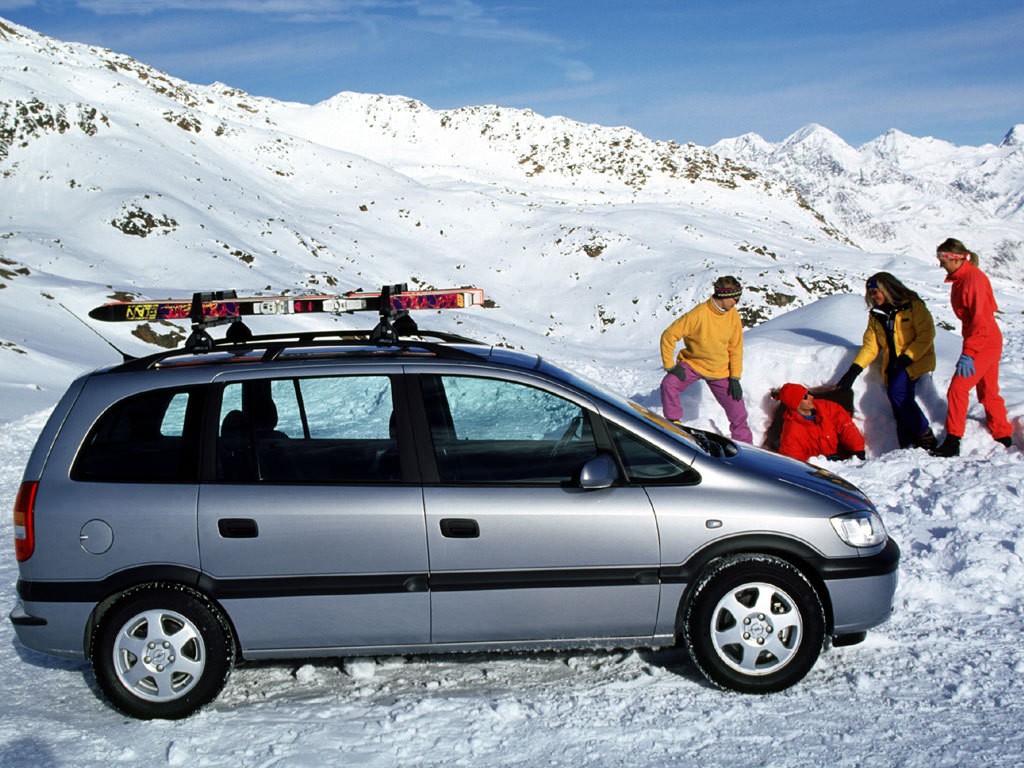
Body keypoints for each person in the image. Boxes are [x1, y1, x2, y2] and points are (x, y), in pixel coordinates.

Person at [834, 272, 937, 450]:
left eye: (876, 292)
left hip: (916, 360)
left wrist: (908, 357)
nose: (873, 297)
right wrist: (854, 371)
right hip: (893, 363)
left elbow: (926, 335)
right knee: (898, 402)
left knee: (897, 393)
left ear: (887, 289)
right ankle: (906, 444)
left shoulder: (913, 307)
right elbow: (870, 347)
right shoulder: (876, 315)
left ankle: (924, 434)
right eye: (870, 293)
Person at [931, 238, 1013, 457]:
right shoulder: (962, 279)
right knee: (987, 391)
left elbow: (981, 321)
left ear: (956, 258)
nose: (941, 264)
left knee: (958, 389)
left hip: (983, 339)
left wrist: (969, 353)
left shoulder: (972, 280)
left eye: (943, 259)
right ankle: (1003, 434)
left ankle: (953, 440)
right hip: (983, 338)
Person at [659, 276, 752, 443]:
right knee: (669, 384)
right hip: (693, 364)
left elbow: (735, 347)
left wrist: (735, 377)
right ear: (723, 296)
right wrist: (670, 366)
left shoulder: (733, 315)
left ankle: (747, 448)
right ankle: (674, 424)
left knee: (738, 412)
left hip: (720, 371)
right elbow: (669, 335)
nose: (737, 302)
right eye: (735, 298)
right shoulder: (698, 314)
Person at [777, 383, 866, 462]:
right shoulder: (791, 432)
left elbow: (846, 427)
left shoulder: (827, 407)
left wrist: (858, 450)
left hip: (844, 460)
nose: (811, 397)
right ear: (795, 403)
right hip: (819, 470)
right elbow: (794, 464)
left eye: (808, 393)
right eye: (805, 397)